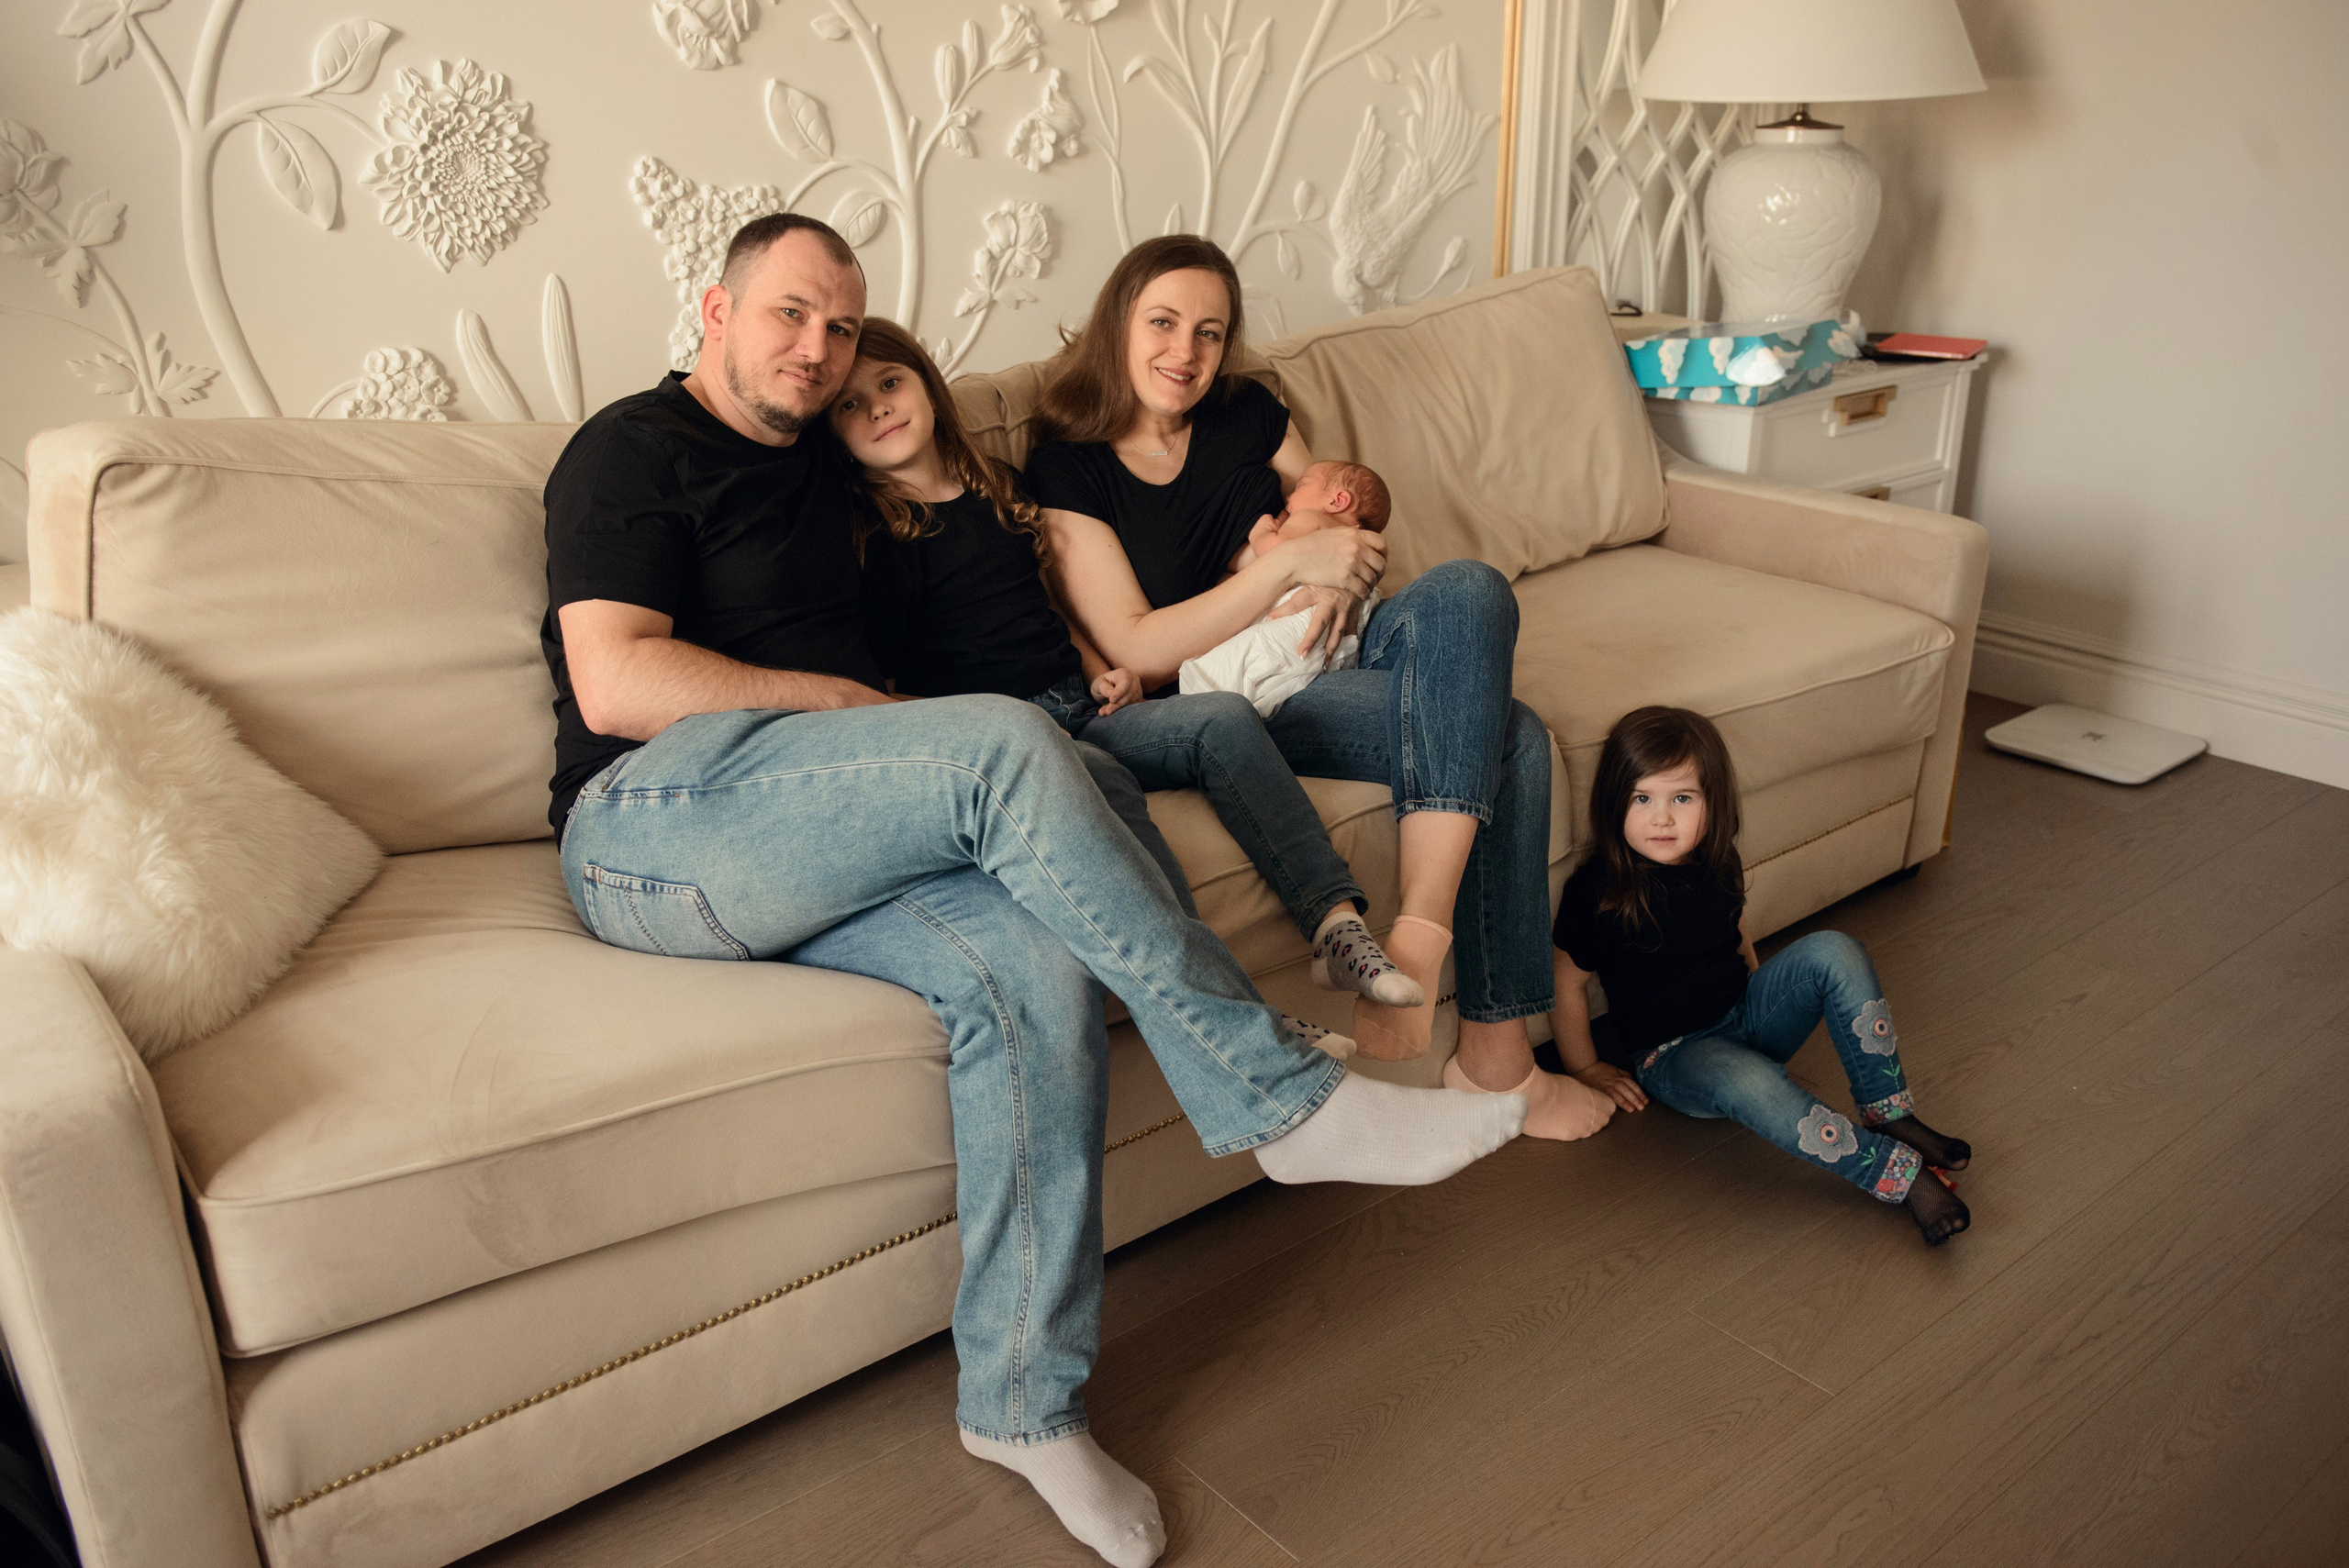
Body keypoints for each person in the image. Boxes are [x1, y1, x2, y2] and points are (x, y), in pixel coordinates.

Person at [540, 212, 1527, 1568]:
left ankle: (1020, 1401)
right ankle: (1284, 1099)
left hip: (820, 819)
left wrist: (1113, 667)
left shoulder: (842, 483)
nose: (820, 349)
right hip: (651, 821)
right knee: (1005, 737)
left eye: (843, 326)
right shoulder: (630, 452)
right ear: (714, 312)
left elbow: (967, 597)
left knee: (1034, 965)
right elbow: (614, 681)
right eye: (789, 315)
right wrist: (846, 705)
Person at [1028, 234, 1613, 1143]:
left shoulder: (1250, 411)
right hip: (1236, 689)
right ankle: (1497, 1057)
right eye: (1163, 323)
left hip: (1328, 643)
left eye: (1209, 332)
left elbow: (1354, 518)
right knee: (1512, 732)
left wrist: (1338, 576)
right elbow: (1138, 648)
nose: (1185, 353)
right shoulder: (1066, 462)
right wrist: (1288, 566)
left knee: (1469, 586)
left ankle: (1415, 937)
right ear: (1118, 324)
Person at [834, 317, 1425, 1031]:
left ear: (926, 383)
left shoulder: (998, 485)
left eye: (890, 383)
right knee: (1112, 802)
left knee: (1223, 716)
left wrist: (1105, 668)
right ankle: (1240, 1011)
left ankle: (1335, 925)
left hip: (1088, 706)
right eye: (850, 405)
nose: (879, 409)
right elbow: (889, 682)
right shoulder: (881, 538)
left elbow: (1051, 608)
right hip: (1014, 745)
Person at [1549, 706, 1974, 1246]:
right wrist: (1584, 1068)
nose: (1662, 818)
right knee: (1748, 1081)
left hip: (1746, 1015)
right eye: (1642, 798)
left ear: (1712, 802)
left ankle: (1889, 1113)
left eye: (1682, 798)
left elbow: (1738, 935)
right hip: (1680, 1056)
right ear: (1615, 803)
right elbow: (1566, 983)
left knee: (1835, 948)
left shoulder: (1717, 860)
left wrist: (1766, 996)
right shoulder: (1598, 891)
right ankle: (1897, 1174)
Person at [1177, 458, 1391, 717]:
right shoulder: (1358, 541)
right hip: (1345, 632)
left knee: (1240, 664)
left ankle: (1212, 700)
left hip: (1304, 617)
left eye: (1302, 485)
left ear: (1337, 500)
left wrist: (1260, 533)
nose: (1289, 495)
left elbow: (1274, 552)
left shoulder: (1310, 518)